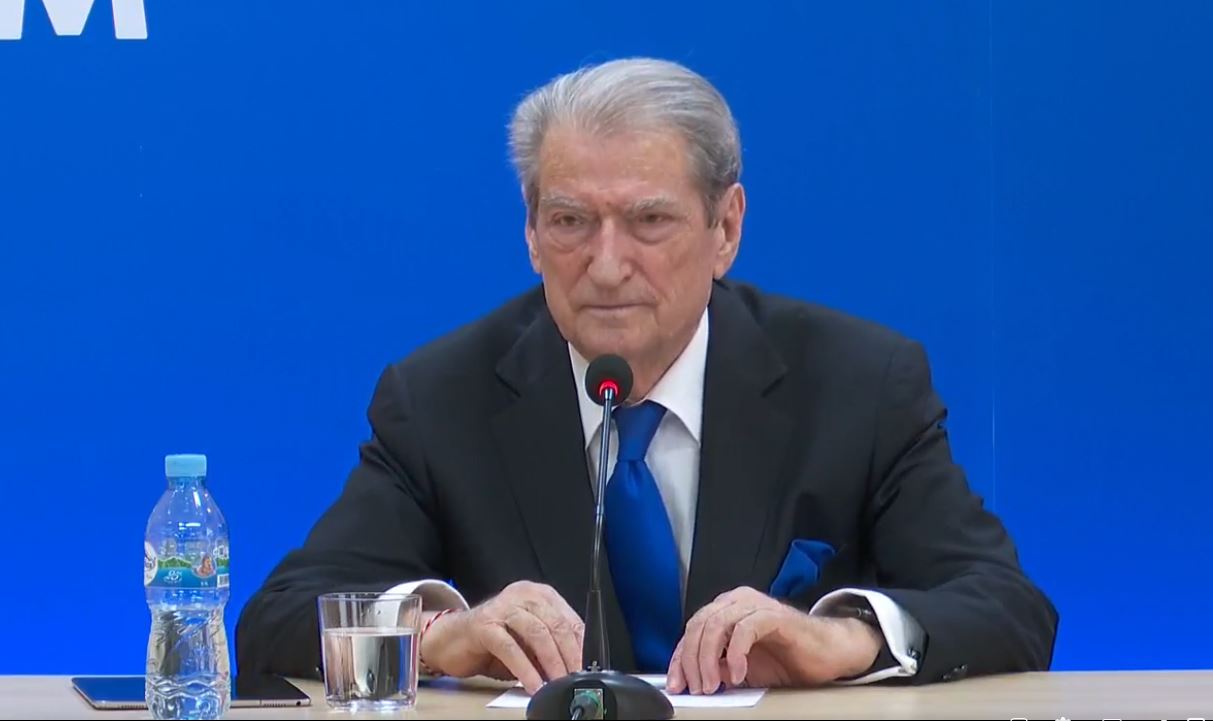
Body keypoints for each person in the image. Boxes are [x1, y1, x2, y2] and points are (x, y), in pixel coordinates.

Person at [235, 57, 1058, 695]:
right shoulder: (440, 397)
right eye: (569, 220)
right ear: (530, 235)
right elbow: (278, 618)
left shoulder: (857, 383)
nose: (605, 264)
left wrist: (844, 638)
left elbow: (1007, 605)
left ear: (725, 228)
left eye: (648, 220)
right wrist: (436, 635)